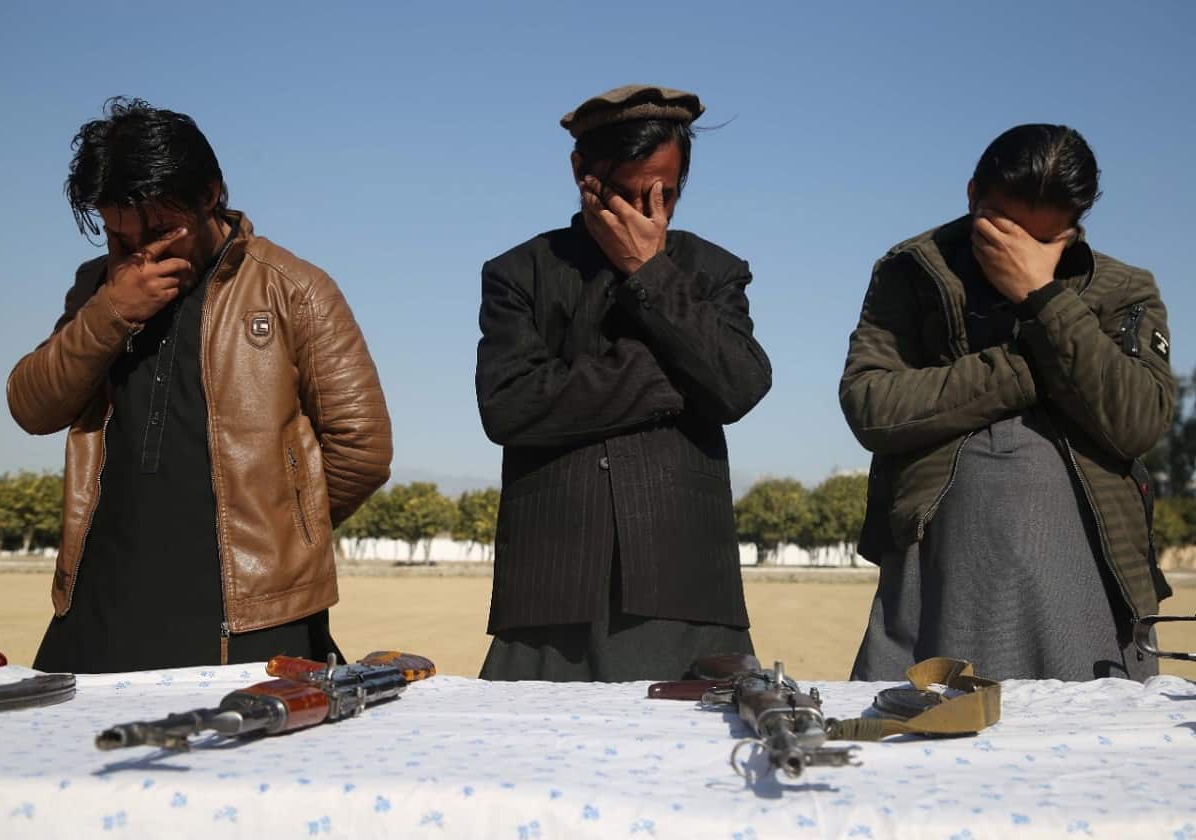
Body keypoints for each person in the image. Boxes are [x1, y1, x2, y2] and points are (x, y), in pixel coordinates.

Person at [7, 98, 392, 673]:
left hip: (246, 614)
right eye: (118, 237)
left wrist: (277, 531)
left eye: (163, 230)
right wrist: (111, 311)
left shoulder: (294, 289)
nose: (142, 252)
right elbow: (31, 406)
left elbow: (361, 448)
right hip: (97, 604)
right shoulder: (98, 288)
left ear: (209, 194)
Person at [841, 124, 1174, 681]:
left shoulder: (1124, 288)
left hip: (1089, 566)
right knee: (928, 721)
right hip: (943, 562)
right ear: (973, 194)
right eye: (1001, 228)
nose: (1018, 250)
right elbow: (870, 405)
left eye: (1044, 241)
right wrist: (1035, 365)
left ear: (1076, 224)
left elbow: (1138, 421)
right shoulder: (913, 270)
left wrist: (1043, 297)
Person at [474, 84, 772, 681]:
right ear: (581, 172)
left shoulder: (714, 272)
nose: (645, 212)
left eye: (664, 194)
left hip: (687, 585)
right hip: (548, 589)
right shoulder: (519, 273)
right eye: (627, 192)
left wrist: (648, 271)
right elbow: (508, 407)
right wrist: (675, 379)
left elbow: (740, 383)